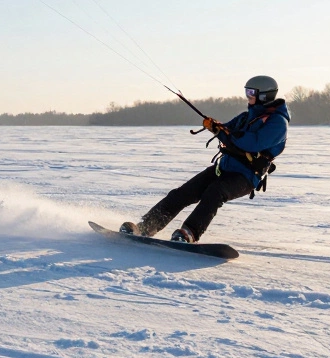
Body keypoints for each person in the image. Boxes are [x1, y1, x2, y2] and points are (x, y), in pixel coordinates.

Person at [121, 75, 290, 243]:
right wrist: (215, 126)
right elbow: (227, 130)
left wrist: (223, 133)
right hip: (224, 168)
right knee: (183, 193)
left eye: (251, 92)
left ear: (264, 95)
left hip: (246, 176)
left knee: (215, 192)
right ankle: (145, 227)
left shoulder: (278, 123)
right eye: (246, 91)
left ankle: (190, 233)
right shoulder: (246, 117)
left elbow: (251, 143)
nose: (248, 95)